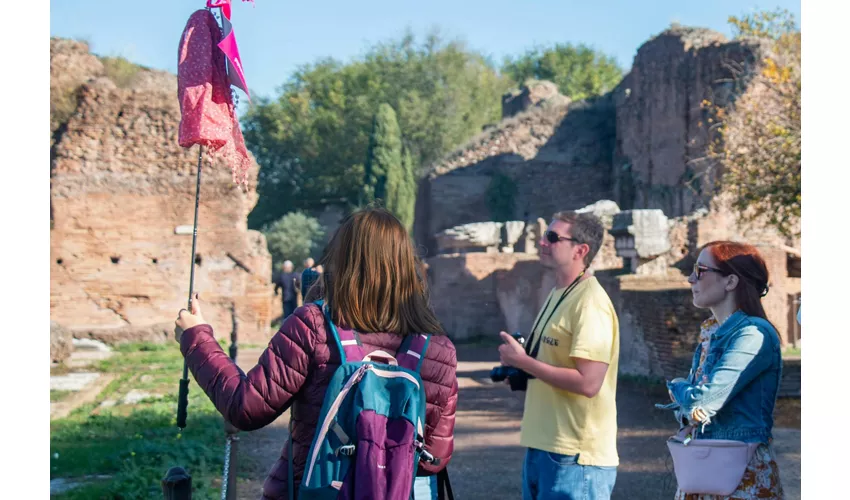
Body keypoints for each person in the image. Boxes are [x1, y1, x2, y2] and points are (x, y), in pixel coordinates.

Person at [174, 208, 458, 500]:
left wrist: (196, 337)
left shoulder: (313, 326)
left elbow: (246, 407)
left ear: (341, 261)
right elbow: (432, 458)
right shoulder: (438, 349)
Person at [497, 210, 620, 500]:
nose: (543, 242)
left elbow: (589, 383)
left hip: (575, 455)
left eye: (552, 237)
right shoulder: (559, 293)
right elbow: (550, 363)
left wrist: (523, 362)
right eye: (544, 236)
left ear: (581, 250)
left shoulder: (590, 302)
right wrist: (520, 367)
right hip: (545, 446)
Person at [664, 241, 784, 499]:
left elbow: (700, 405)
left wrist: (676, 386)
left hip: (742, 480)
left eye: (699, 270)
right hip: (707, 470)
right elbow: (691, 413)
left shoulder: (754, 335)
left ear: (730, 282)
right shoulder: (712, 333)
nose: (690, 278)